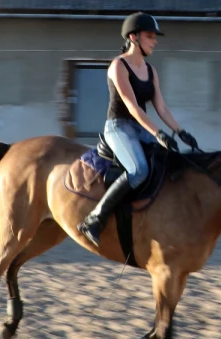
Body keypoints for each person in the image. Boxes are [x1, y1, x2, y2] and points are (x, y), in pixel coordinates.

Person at [77, 12, 200, 247]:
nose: (154, 41)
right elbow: (132, 107)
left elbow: (161, 107)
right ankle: (94, 219)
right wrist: (158, 134)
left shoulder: (151, 71)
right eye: (150, 36)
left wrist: (180, 132)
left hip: (140, 127)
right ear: (133, 37)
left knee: (171, 161)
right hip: (118, 127)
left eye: (155, 37)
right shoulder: (118, 66)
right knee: (139, 170)